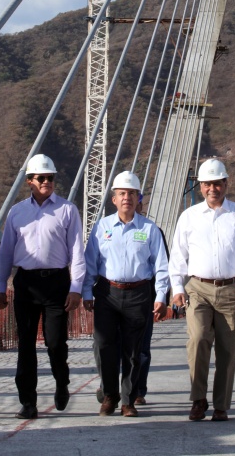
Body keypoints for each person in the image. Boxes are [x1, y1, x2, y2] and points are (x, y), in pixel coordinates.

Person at [169, 158, 235, 423]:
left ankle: (221, 405)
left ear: (226, 184)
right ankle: (198, 399)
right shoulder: (189, 217)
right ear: (200, 187)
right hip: (198, 288)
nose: (213, 189)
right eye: (208, 184)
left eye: (217, 183)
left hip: (232, 288)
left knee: (227, 350)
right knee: (198, 340)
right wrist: (177, 287)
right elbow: (178, 256)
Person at [0, 154, 85, 420]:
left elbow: (77, 252)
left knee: (56, 342)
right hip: (25, 283)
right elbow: (6, 253)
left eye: (51, 178)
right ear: (29, 181)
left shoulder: (67, 210)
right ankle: (28, 401)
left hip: (57, 282)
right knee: (25, 345)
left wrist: (76, 287)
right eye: (42, 178)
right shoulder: (16, 212)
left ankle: (61, 381)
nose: (47, 182)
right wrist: (1, 286)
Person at [83, 171, 169, 418]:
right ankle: (109, 396)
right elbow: (91, 262)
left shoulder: (150, 229)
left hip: (138, 293)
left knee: (133, 350)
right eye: (122, 193)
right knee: (104, 345)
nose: (127, 198)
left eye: (131, 193)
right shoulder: (102, 227)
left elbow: (161, 266)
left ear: (138, 198)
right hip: (107, 292)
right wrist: (87, 291)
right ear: (114, 199)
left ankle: (128, 400)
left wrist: (160, 296)